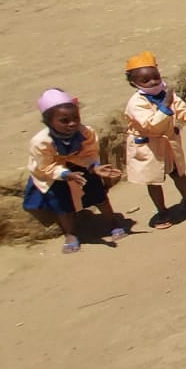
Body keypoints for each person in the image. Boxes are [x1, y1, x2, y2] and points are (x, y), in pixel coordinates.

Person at [25, 89, 126, 253]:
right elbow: (44, 166)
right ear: (49, 122)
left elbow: (89, 153)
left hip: (82, 166)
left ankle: (112, 222)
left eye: (75, 118)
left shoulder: (85, 132)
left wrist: (95, 167)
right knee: (62, 205)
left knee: (99, 195)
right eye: (64, 121)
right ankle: (70, 234)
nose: (72, 124)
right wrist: (65, 174)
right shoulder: (41, 142)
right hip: (55, 174)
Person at [122, 51, 186, 228]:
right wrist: (165, 106)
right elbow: (151, 126)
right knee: (153, 180)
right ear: (134, 83)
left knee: (179, 174)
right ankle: (162, 212)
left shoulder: (167, 94)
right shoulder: (136, 103)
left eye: (155, 77)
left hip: (169, 143)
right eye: (145, 81)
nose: (153, 82)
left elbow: (183, 115)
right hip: (149, 147)